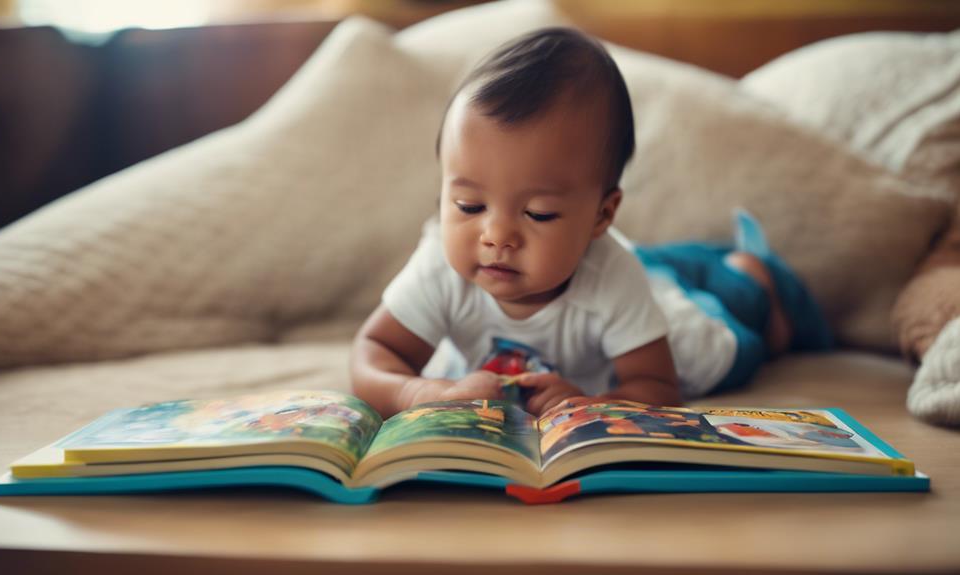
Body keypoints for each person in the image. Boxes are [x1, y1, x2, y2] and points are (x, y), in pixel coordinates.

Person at [350, 28, 831, 419]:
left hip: (658, 309)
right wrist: (418, 394)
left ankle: (752, 277)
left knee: (728, 349)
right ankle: (674, 265)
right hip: (623, 273)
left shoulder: (611, 277)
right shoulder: (440, 266)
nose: (495, 236)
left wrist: (593, 406)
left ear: (602, 214)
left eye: (537, 213)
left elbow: (658, 385)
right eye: (469, 206)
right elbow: (374, 352)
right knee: (656, 270)